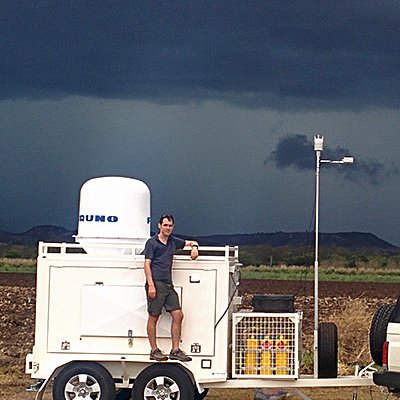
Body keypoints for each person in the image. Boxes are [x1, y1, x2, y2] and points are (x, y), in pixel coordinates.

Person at [143, 214, 199, 362]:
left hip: (168, 284)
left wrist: (195, 248)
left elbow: (192, 242)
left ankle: (175, 350)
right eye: (165, 225)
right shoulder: (152, 243)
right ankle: (154, 350)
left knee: (178, 315)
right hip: (156, 283)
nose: (168, 228)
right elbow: (147, 264)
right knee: (154, 316)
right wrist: (151, 285)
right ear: (159, 226)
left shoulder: (173, 241)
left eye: (170, 226)